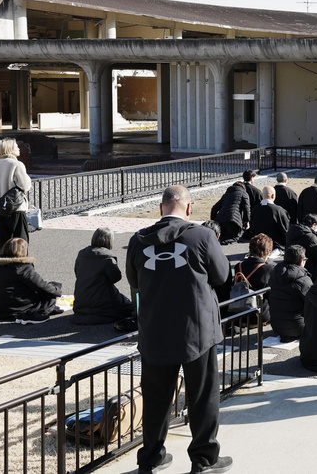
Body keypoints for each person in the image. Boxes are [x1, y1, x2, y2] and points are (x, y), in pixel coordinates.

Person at [126, 185, 232, 474]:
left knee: (156, 398)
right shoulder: (202, 236)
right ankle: (203, 459)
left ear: (161, 208)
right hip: (197, 329)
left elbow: (134, 280)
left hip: (154, 329)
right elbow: (222, 276)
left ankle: (151, 458)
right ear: (188, 208)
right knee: (202, 396)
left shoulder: (138, 241)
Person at [0, 237, 62, 323]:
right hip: (18, 309)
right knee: (51, 291)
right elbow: (41, 286)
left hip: (0, 311)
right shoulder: (22, 267)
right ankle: (40, 312)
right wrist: (57, 291)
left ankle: (48, 307)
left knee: (49, 290)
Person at [72, 227, 134, 325]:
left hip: (81, 300)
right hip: (102, 300)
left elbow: (77, 272)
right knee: (129, 307)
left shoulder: (82, 254)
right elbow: (116, 277)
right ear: (109, 241)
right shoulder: (107, 258)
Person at [0, 138, 32, 251]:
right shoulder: (17, 164)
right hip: (16, 207)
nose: (18, 148)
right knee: (20, 244)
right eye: (16, 146)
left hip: (0, 208)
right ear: (10, 149)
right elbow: (25, 186)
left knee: (4, 245)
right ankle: (21, 267)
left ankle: (4, 266)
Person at [267, 245, 312, 341]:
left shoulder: (275, 273)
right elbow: (312, 302)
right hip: (299, 328)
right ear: (301, 261)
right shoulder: (304, 280)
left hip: (277, 327)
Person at [232, 233, 273, 325]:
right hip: (260, 314)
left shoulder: (239, 266)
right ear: (268, 251)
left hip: (240, 311)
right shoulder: (269, 268)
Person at [288, 214, 317, 280]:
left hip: (292, 263)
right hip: (307, 266)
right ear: (314, 225)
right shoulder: (310, 237)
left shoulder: (292, 231)